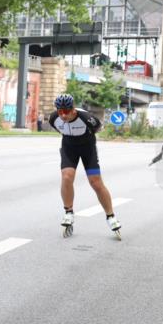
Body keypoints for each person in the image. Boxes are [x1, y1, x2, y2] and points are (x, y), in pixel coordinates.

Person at [48, 93, 121, 238]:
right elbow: (60, 129)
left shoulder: (86, 118)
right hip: (69, 148)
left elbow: (98, 128)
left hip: (88, 149)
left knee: (96, 183)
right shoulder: (53, 118)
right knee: (67, 177)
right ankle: (68, 212)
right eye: (60, 111)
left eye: (66, 111)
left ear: (73, 109)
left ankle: (110, 216)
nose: (63, 115)